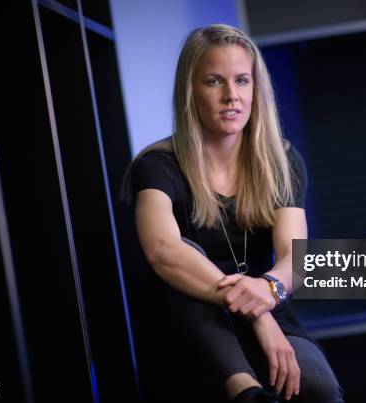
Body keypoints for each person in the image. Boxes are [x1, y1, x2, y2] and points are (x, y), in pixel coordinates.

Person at [122, 24, 343, 403]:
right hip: (187, 327)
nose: (231, 96)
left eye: (242, 81)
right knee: (187, 252)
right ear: (190, 90)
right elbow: (162, 251)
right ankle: (245, 391)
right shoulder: (157, 166)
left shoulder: (281, 162)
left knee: (319, 389)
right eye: (214, 81)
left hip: (266, 311)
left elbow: (296, 259)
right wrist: (257, 314)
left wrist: (267, 292)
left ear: (257, 89)